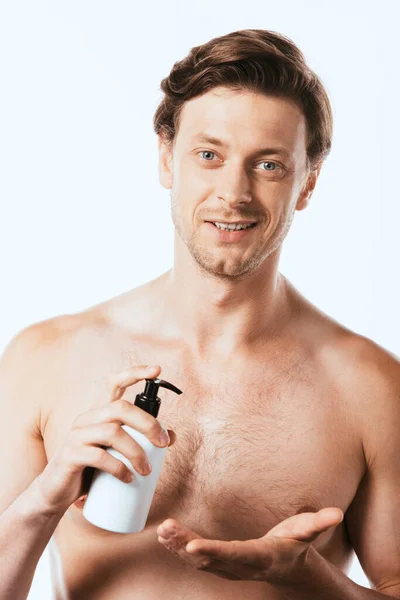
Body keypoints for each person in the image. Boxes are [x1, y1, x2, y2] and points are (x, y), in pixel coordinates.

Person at [0, 28, 399, 600]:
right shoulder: (44, 360)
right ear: (167, 158)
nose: (232, 191)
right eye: (208, 155)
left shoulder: (371, 387)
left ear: (307, 182)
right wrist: (43, 501)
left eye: (268, 165)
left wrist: (311, 578)